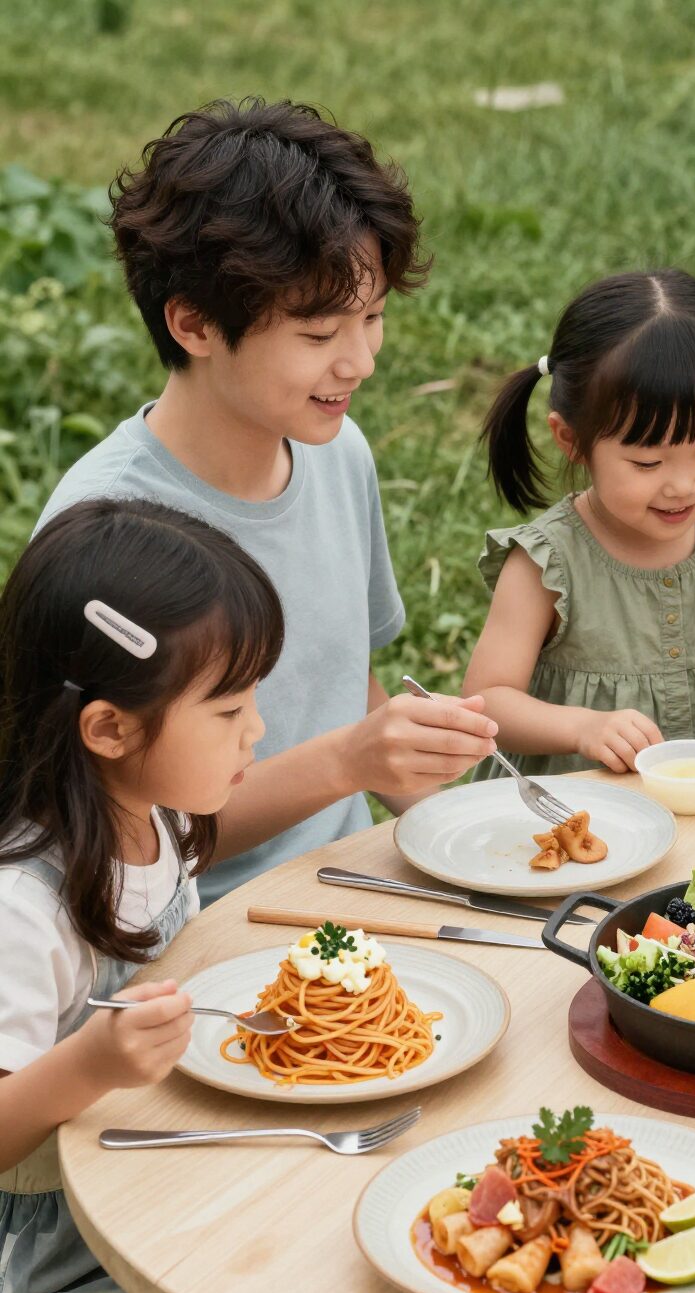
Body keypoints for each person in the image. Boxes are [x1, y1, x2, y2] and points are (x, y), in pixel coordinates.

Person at [0, 499, 476, 1293]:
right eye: (230, 711)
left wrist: (350, 760)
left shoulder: (145, 808)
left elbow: (208, 835)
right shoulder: (20, 906)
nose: (259, 729)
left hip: (175, 1183)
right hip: (58, 1288)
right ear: (108, 728)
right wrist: (86, 1064)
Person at [37, 98, 499, 904]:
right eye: (319, 336)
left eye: (375, 317)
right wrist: (348, 760)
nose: (359, 361)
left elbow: (343, 679)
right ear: (194, 324)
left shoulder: (336, 451)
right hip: (196, 928)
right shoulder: (106, 533)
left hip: (360, 876)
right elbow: (106, 839)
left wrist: (474, 838)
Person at [463, 268, 695, 776]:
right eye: (647, 463)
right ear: (571, 440)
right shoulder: (548, 563)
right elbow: (487, 699)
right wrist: (583, 728)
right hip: (578, 827)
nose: (682, 486)